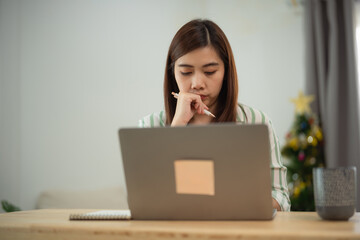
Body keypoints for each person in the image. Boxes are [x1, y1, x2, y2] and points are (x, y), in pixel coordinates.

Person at [138, 19, 290, 211]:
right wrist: (177, 125)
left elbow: (281, 198)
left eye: (210, 71)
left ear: (226, 72)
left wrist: (233, 204)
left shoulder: (256, 122)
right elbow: (146, 200)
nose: (197, 83)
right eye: (185, 72)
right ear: (172, 73)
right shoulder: (150, 126)